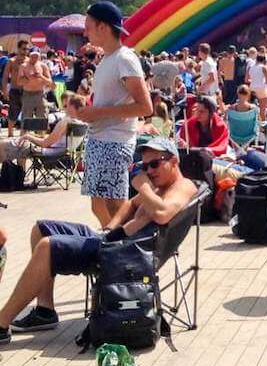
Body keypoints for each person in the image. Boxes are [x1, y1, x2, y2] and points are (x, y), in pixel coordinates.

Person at [0, 137, 196, 344]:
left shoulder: (182, 186)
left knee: (47, 246)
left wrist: (143, 187)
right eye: (145, 166)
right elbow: (130, 204)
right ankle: (45, 310)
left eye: (155, 164)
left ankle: (2, 324)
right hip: (114, 241)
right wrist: (111, 227)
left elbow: (163, 214)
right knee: (41, 229)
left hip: (125, 255)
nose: (149, 171)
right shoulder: (159, 186)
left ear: (174, 161)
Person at [76, 2, 152, 226]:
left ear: (103, 27)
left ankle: (123, 248)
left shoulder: (124, 58)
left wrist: (98, 112)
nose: (85, 31)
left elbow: (145, 106)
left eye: (88, 25)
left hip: (115, 141)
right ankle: (112, 245)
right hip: (101, 140)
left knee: (115, 206)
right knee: (99, 205)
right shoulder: (108, 59)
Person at [0, 94, 86, 164]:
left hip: (50, 152)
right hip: (61, 151)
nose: (64, 108)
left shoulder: (65, 122)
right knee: (17, 143)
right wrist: (34, 137)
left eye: (66, 105)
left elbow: (44, 144)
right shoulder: (82, 123)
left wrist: (28, 136)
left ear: (72, 107)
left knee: (2, 144)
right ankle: (18, 174)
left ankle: (14, 175)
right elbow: (52, 141)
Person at [2, 40, 29, 135]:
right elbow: (5, 77)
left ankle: (23, 133)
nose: (25, 51)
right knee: (13, 112)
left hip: (26, 90)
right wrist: (5, 90)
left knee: (26, 112)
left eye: (27, 49)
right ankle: (10, 132)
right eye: (23, 49)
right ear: (18, 49)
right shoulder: (11, 61)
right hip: (14, 90)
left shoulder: (29, 61)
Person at [19, 49, 52, 120]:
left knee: (42, 118)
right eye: (32, 56)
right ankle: (25, 131)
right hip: (27, 94)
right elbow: (19, 82)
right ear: (29, 56)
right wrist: (28, 77)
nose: (34, 58)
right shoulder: (23, 66)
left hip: (40, 94)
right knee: (26, 119)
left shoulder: (43, 66)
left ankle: (41, 131)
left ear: (39, 56)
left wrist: (41, 76)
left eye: (36, 56)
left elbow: (49, 82)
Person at [246, 52, 267, 121]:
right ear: (263, 60)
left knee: (250, 109)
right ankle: (263, 126)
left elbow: (246, 80)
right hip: (261, 87)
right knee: (262, 111)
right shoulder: (264, 67)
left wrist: (253, 80)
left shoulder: (250, 67)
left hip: (252, 88)